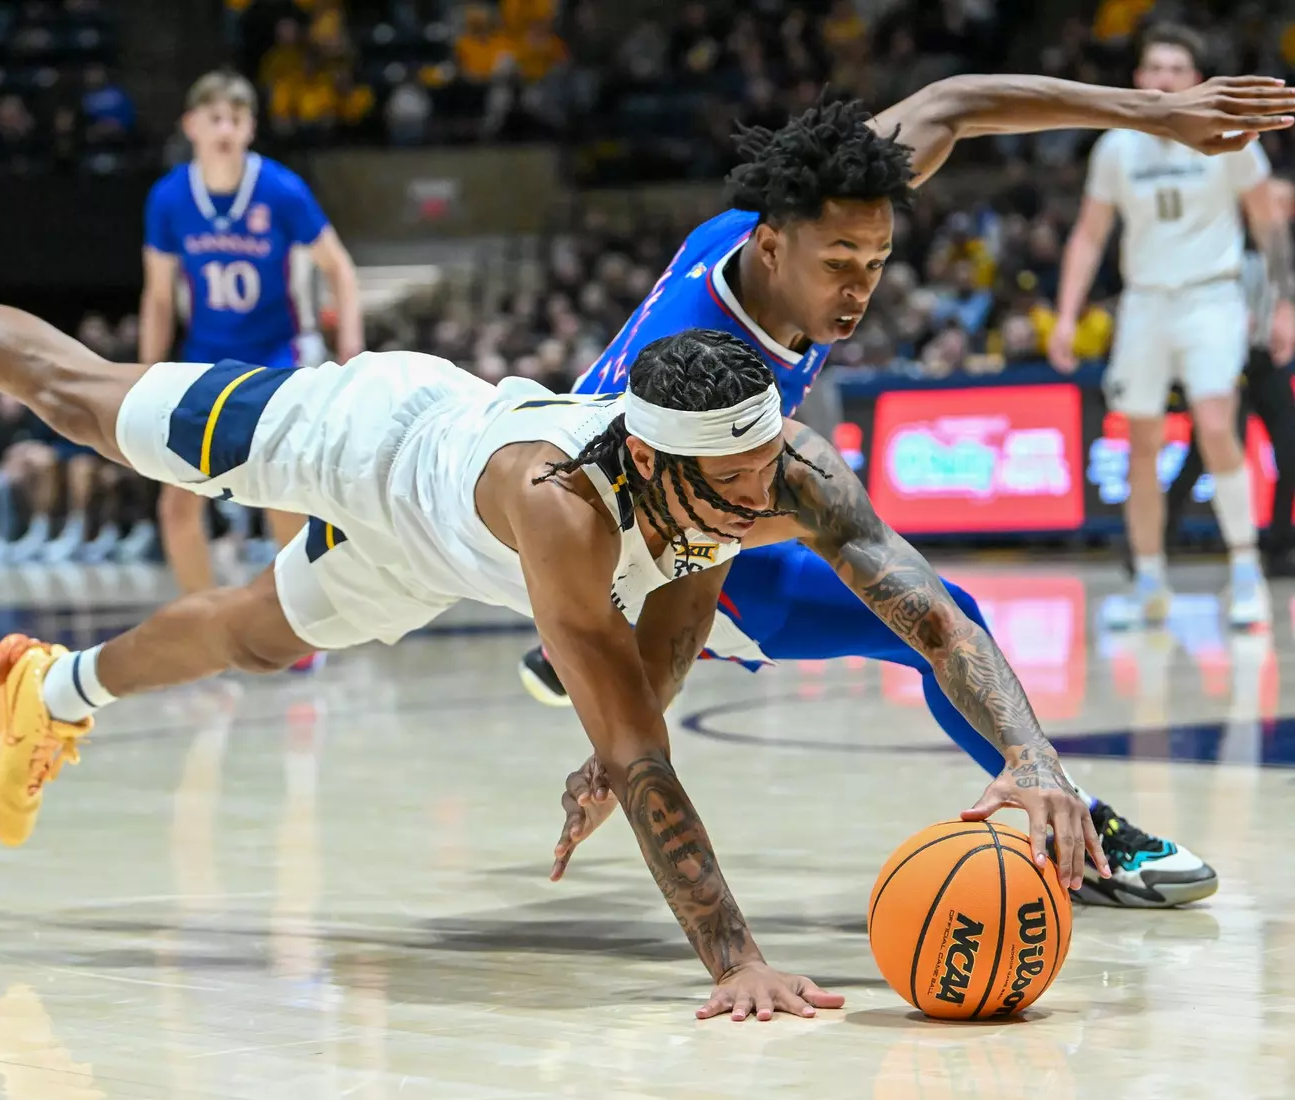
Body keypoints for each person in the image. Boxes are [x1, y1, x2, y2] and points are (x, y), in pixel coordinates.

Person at [0, 241, 1107, 1022]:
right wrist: (729, 958)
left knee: (252, 634)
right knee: (80, 401)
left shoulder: (767, 463)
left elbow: (925, 606)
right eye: (729, 489)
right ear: (658, 463)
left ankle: (56, 694)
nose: (760, 500)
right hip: (373, 442)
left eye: (766, 475)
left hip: (443, 563)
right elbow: (640, 743)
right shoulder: (563, 511)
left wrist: (1033, 758)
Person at [532, 70, 1295, 908]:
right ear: (773, 249)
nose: (860, 287)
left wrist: (1154, 115)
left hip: (682, 490)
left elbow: (953, 106)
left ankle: (1059, 808)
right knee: (929, 611)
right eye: (840, 264)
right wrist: (618, 723)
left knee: (922, 600)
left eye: (877, 261)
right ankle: (1076, 831)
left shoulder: (791, 211)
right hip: (641, 545)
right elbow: (662, 526)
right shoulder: (711, 357)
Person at [1051, 24, 1295, 630]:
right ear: (1137, 79)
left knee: (1217, 425)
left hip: (1211, 298)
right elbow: (1088, 235)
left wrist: (1284, 305)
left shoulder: (1232, 136)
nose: (1162, 78)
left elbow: (1269, 225)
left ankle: (1245, 571)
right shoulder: (1116, 147)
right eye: (1152, 67)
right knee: (1141, 444)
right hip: (1144, 303)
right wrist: (1065, 313)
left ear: (1196, 80)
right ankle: (1150, 581)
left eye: (1175, 68)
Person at [140, 71, 364, 634]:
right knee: (176, 505)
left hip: (277, 357)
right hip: (203, 360)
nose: (224, 130)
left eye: (235, 119)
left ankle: (294, 626)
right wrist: (144, 375)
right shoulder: (168, 198)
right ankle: (205, 625)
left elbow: (340, 269)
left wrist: (351, 351)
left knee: (281, 500)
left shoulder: (281, 190)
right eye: (214, 118)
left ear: (250, 129)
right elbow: (159, 296)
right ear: (191, 126)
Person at [1164, 179, 1295, 574]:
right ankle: (1153, 544)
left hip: (1263, 360)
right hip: (1223, 362)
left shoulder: (1282, 249)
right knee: (1202, 456)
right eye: (1278, 203)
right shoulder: (1222, 238)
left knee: (1290, 449)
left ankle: (1277, 547)